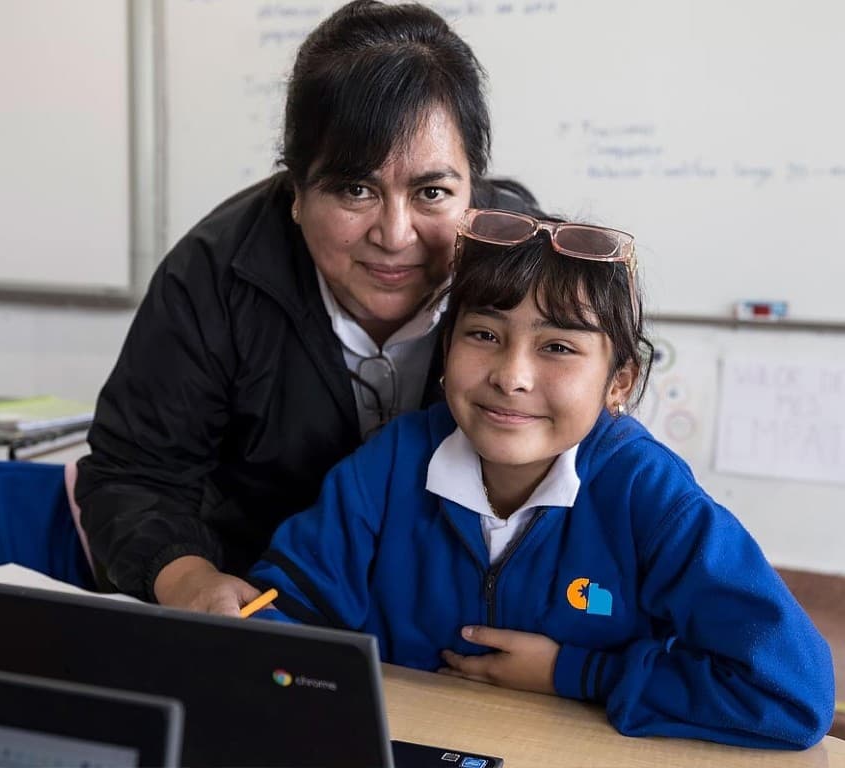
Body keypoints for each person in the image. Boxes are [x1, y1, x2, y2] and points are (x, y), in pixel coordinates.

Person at [247, 208, 836, 749]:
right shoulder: (392, 464)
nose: (513, 376)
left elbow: (790, 693)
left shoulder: (647, 496)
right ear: (446, 347)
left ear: (619, 384)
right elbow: (280, 626)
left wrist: (576, 673)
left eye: (557, 346)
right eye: (484, 335)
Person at [74, 1, 540, 610]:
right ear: (295, 191)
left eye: (432, 192)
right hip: (268, 608)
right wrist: (187, 579)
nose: (396, 235)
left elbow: (594, 464)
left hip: (466, 626)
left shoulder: (533, 270)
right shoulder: (215, 273)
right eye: (355, 189)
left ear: (472, 188)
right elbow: (133, 475)